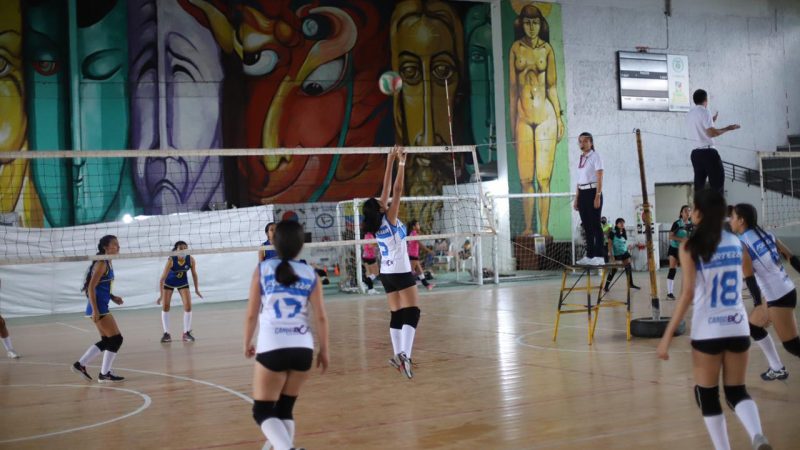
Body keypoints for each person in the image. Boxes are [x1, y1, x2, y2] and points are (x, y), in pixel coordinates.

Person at [657, 190, 770, 450]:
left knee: (707, 396)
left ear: (698, 214)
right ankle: (757, 435)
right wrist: (762, 304)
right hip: (739, 325)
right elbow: (751, 276)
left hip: (708, 329)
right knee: (736, 391)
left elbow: (686, 295)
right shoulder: (736, 243)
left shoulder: (690, 246)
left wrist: (666, 338)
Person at [244, 220, 329, 450]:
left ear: (274, 243)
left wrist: (247, 342)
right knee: (284, 409)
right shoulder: (310, 273)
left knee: (262, 410)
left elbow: (251, 314)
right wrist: (324, 351)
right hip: (303, 349)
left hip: (272, 346)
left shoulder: (262, 270)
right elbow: (321, 317)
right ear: (300, 246)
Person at [362, 145, 419, 379]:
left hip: (386, 273)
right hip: (401, 270)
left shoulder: (376, 224)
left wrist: (389, 160)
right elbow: (396, 190)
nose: (381, 198)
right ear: (380, 208)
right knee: (413, 312)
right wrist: (402, 163)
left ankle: (398, 355)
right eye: (379, 201)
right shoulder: (390, 217)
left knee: (397, 314)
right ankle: (405, 354)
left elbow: (385, 190)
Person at [509, 3, 564, 236]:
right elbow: (513, 89)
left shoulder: (547, 49)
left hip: (546, 117)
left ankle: (544, 228)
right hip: (523, 115)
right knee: (524, 178)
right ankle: (529, 228)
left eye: (535, 22)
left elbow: (552, 87)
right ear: (522, 23)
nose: (531, 27)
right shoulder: (515, 48)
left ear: (541, 24)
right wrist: (513, 122)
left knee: (543, 178)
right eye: (527, 22)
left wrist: (560, 119)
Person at [731, 203, 800, 381]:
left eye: (733, 217)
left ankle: (778, 368)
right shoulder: (767, 234)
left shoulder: (743, 244)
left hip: (778, 297)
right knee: (753, 327)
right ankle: (777, 367)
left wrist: (758, 305)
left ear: (741, 220)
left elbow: (750, 278)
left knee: (792, 346)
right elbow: (791, 257)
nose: (731, 220)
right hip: (785, 290)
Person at [72, 235, 125, 383]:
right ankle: (104, 373)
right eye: (115, 245)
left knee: (107, 340)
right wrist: (95, 310)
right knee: (116, 339)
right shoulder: (102, 263)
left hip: (100, 305)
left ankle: (81, 365)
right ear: (105, 247)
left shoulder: (108, 262)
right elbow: (90, 288)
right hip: (98, 307)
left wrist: (113, 297)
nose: (118, 247)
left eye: (118, 244)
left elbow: (102, 286)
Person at [686, 89, 740, 195]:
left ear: (694, 100)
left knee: (699, 187)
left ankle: (699, 210)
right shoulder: (705, 111)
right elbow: (711, 133)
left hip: (695, 154)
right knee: (717, 184)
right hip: (708, 153)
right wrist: (728, 128)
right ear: (706, 99)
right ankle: (717, 210)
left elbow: (699, 128)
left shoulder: (689, 114)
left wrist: (711, 120)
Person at [157, 241, 203, 343]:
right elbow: (162, 279)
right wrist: (161, 296)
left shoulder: (190, 259)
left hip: (182, 282)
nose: (183, 250)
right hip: (169, 282)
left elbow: (194, 275)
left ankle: (186, 333)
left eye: (185, 248)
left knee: (188, 307)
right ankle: (166, 334)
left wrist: (196, 289)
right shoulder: (171, 260)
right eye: (180, 248)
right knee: (165, 306)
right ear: (176, 250)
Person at [573, 132, 605, 265]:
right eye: (580, 141)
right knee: (586, 226)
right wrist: (576, 198)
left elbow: (600, 177)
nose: (582, 143)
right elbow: (579, 180)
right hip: (582, 193)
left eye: (585, 141)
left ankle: (599, 256)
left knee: (596, 224)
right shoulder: (581, 158)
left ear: (591, 142)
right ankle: (590, 255)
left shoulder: (595, 156)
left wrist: (597, 196)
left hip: (593, 192)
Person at [604, 218, 640, 292]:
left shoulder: (623, 231)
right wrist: (611, 256)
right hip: (616, 253)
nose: (622, 224)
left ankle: (630, 284)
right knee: (614, 270)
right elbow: (610, 244)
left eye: (623, 223)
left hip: (624, 252)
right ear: (617, 224)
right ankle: (606, 286)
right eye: (620, 223)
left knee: (628, 266)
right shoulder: (612, 232)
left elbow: (623, 242)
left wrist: (629, 247)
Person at [666, 205, 693, 299]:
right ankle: (669, 293)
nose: (688, 212)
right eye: (685, 211)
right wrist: (681, 239)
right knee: (672, 270)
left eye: (689, 211)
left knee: (687, 271)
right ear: (681, 213)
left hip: (685, 250)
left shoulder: (691, 224)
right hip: (674, 248)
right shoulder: (677, 223)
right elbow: (670, 236)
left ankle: (686, 293)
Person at [407, 220, 433, 291]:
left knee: (420, 271)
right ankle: (408, 287)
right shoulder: (414, 233)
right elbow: (420, 244)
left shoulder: (412, 233)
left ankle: (427, 285)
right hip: (412, 256)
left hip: (413, 255)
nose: (419, 226)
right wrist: (429, 251)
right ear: (414, 227)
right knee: (410, 272)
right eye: (418, 224)